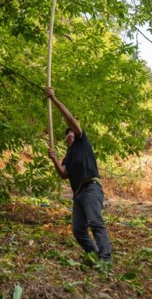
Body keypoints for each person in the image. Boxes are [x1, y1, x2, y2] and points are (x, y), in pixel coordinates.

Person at [45, 87, 112, 264]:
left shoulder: (82, 141)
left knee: (95, 221)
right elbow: (63, 174)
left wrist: (54, 99)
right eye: (67, 133)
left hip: (91, 187)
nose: (69, 133)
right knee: (78, 230)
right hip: (78, 194)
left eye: (71, 131)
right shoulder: (68, 155)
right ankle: (95, 254)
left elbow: (69, 118)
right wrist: (54, 160)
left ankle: (106, 258)